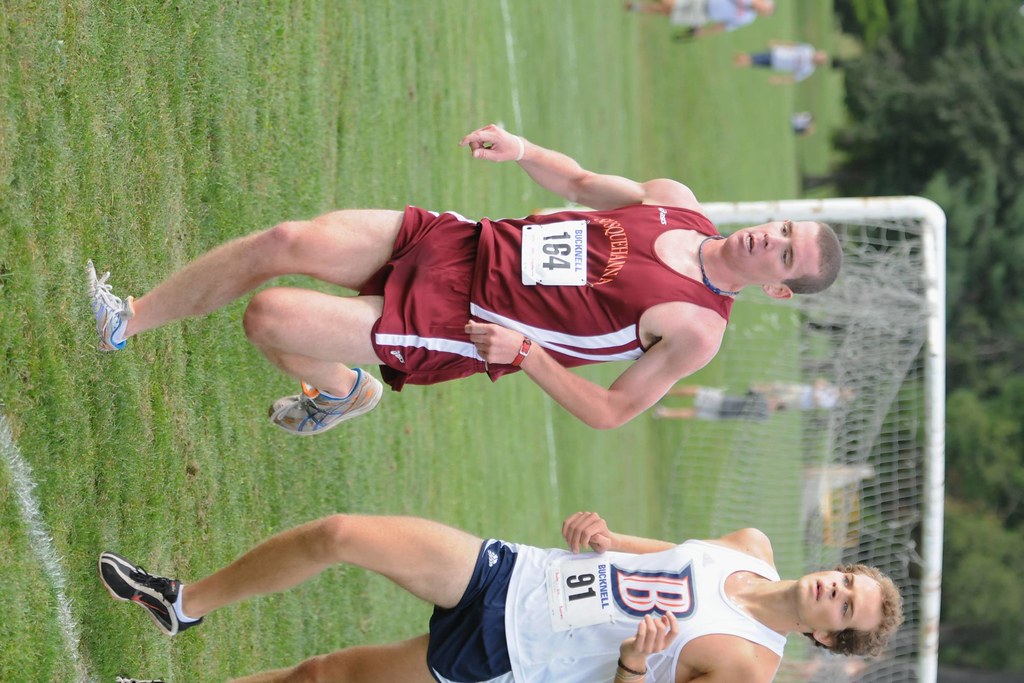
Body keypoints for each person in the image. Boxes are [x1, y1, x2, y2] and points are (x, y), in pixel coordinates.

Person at [87, 123, 843, 435]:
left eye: (784, 255)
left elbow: (612, 412)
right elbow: (579, 183)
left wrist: (526, 353)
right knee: (287, 239)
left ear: (777, 287)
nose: (769, 238)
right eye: (783, 228)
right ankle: (125, 318)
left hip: (460, 321)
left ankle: (346, 391)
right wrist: (522, 150)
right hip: (462, 241)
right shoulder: (678, 206)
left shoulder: (697, 329)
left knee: (271, 315)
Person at [98, 509, 904, 683]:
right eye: (850, 580)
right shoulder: (753, 545)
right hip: (513, 572)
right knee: (341, 533)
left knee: (322, 676)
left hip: (510, 652)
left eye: (845, 606)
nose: (836, 588)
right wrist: (612, 536)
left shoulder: (747, 668)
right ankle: (182, 602)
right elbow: (672, 555)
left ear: (828, 641)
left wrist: (631, 663)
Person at [653, 378, 852, 420]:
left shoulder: (830, 401)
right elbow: (817, 385)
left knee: (704, 406)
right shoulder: (830, 388)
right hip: (795, 393)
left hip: (734, 405)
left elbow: (817, 399)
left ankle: (664, 410)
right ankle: (665, 393)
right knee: (705, 400)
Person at [626, 0, 775, 40]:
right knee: (669, 3)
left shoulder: (748, 18)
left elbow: (725, 26)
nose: (763, 11)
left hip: (704, 16)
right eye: (765, 8)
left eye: (766, 13)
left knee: (667, 12)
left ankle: (637, 7)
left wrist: (703, 32)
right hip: (704, 1)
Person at [733, 42, 830, 84]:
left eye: (820, 58)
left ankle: (736, 61)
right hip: (778, 53)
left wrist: (779, 80)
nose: (818, 55)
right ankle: (737, 61)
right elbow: (792, 45)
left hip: (778, 64)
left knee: (755, 62)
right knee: (754, 58)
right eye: (820, 54)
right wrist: (778, 44)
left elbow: (793, 78)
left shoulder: (808, 69)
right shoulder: (808, 49)